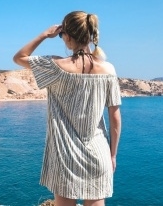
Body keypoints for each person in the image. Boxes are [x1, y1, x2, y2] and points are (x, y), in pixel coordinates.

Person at [13, 11, 122, 206]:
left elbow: (19, 57)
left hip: (64, 156)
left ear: (67, 36)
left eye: (63, 35)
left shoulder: (56, 67)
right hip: (99, 154)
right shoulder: (108, 70)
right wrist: (112, 155)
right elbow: (115, 119)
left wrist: (46, 34)